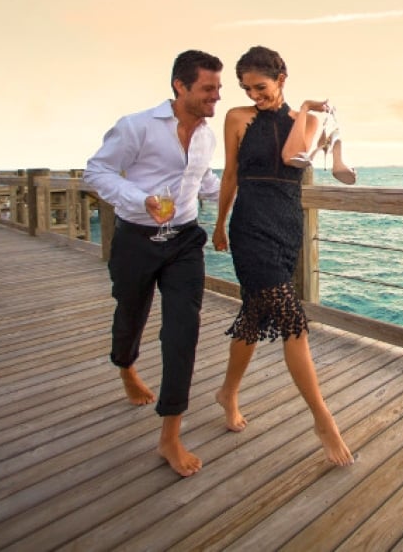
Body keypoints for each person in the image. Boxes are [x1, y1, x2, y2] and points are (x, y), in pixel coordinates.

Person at [212, 45, 354, 466]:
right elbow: (231, 174)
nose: (254, 95)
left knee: (255, 316)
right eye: (247, 88)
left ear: (281, 80)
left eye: (261, 86)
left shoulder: (306, 122)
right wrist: (219, 223)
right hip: (250, 227)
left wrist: (307, 108)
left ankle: (227, 393)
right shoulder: (238, 118)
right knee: (293, 321)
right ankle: (324, 421)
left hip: (286, 226)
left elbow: (290, 157)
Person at [84, 49, 223, 477]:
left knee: (184, 329)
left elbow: (205, 182)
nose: (215, 98)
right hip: (137, 239)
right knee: (131, 312)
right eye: (207, 89)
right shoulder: (136, 126)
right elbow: (96, 172)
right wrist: (138, 199)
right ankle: (125, 365)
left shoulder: (206, 136)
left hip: (183, 241)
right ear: (180, 86)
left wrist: (248, 192)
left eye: (218, 90)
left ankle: (170, 435)